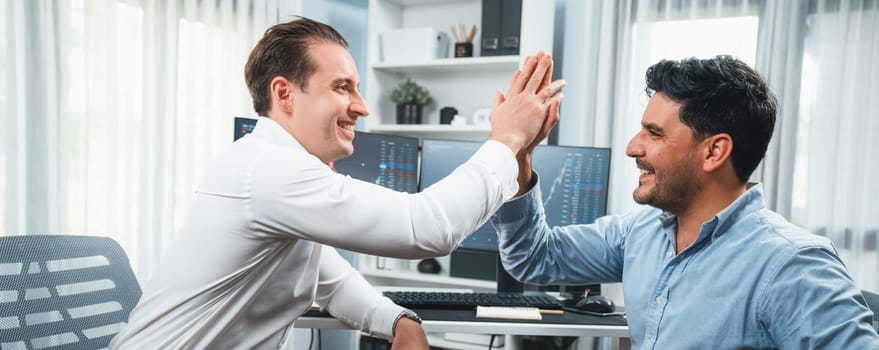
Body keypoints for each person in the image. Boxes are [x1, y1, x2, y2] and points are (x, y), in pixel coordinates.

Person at [110, 17, 565, 349]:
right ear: (284, 94)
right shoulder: (268, 170)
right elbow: (425, 227)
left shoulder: (274, 166)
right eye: (343, 87)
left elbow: (330, 278)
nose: (362, 107)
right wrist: (507, 140)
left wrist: (398, 319)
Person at [492, 55, 879, 349]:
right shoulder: (639, 233)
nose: (632, 147)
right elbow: (533, 256)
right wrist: (519, 156)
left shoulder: (793, 267)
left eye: (654, 133)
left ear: (714, 152)